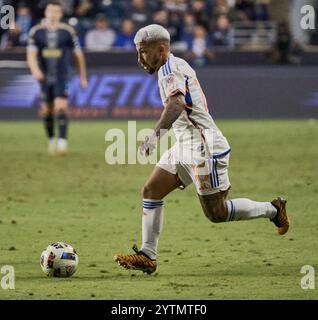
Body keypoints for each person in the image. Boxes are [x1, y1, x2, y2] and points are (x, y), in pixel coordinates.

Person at [114, 24, 290, 274]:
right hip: (184, 145)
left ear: (161, 49)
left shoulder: (169, 70)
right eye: (138, 52)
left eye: (143, 52)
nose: (139, 58)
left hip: (203, 148)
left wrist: (154, 136)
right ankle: (148, 256)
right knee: (151, 190)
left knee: (216, 213)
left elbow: (175, 104)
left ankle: (273, 209)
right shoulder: (172, 65)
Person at [27, 0, 87, 155]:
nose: (53, 14)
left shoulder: (68, 31)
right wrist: (35, 70)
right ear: (46, 13)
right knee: (47, 110)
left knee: (61, 106)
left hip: (63, 75)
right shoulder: (36, 31)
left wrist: (83, 77)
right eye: (50, 11)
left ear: (60, 14)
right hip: (45, 76)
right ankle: (52, 139)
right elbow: (31, 54)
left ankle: (62, 143)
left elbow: (78, 55)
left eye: (56, 12)